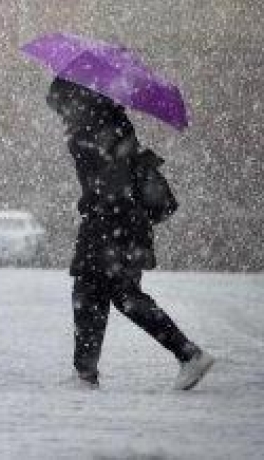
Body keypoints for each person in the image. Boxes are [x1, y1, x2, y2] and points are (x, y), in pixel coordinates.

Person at [47, 76, 216, 391]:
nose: (61, 115)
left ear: (76, 101)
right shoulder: (110, 122)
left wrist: (93, 197)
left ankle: (188, 353)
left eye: (61, 107)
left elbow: (108, 183)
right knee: (91, 293)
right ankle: (85, 374)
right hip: (119, 222)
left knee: (119, 294)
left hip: (111, 222)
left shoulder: (92, 131)